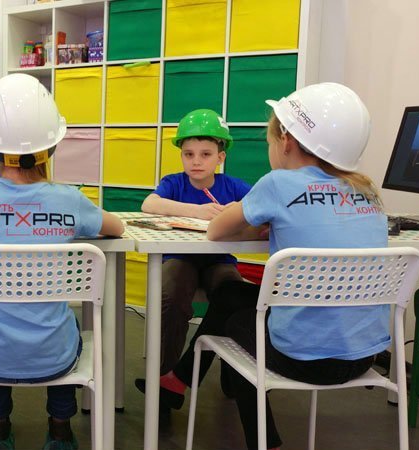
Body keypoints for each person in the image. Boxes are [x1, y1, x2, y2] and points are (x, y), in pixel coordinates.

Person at [150, 82, 386, 449]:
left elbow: (216, 230)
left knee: (235, 324)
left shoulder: (277, 183)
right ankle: (178, 380)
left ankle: (266, 440)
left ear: (286, 140)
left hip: (305, 358)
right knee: (229, 293)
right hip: (365, 356)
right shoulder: (368, 192)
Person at [0, 73, 125, 450]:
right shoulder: (69, 200)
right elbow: (115, 227)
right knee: (63, 329)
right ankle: (60, 430)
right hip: (55, 355)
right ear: (51, 147)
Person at [134, 110, 251, 400]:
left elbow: (259, 207)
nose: (196, 161)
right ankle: (164, 378)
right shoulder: (174, 183)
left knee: (232, 296)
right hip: (180, 258)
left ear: (220, 158)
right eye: (188, 154)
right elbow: (149, 204)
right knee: (170, 297)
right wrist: (196, 211)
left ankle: (232, 374)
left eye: (205, 154)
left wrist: (236, 211)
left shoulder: (233, 186)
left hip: (218, 261)